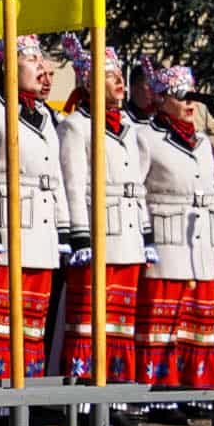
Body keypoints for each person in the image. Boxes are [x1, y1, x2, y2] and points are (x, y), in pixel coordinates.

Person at [0, 34, 74, 384]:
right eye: (33, 61)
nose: (43, 69)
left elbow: (55, 176)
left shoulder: (47, 116)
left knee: (34, 321)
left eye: (42, 61)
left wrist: (66, 229)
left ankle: (28, 392)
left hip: (42, 232)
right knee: (1, 319)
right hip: (10, 226)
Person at [55, 38, 147, 387]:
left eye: (120, 74)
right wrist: (80, 233)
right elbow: (74, 184)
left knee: (122, 319)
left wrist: (145, 231)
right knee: (92, 317)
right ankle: (87, 387)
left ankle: (119, 387)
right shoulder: (75, 126)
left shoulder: (129, 127)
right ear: (89, 81)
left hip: (128, 233)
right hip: (99, 232)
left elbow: (138, 183)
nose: (120, 81)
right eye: (110, 76)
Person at [133, 65, 214, 397]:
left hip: (199, 239)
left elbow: (210, 194)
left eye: (191, 94)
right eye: (179, 95)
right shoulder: (145, 137)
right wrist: (144, 238)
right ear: (161, 99)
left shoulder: (202, 143)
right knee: (163, 321)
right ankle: (160, 388)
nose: (189, 102)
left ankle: (194, 387)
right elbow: (137, 191)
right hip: (166, 238)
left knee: (195, 322)